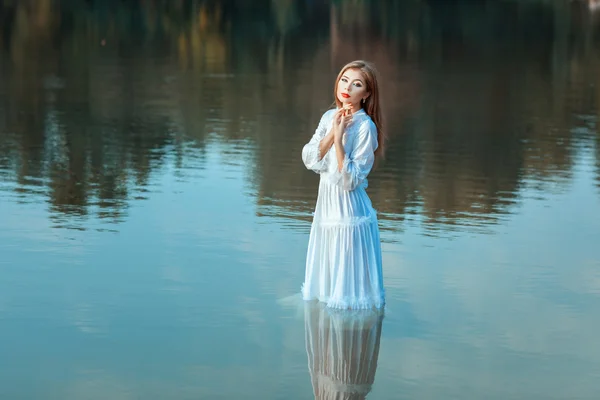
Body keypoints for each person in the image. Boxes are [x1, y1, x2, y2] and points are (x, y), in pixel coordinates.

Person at [301, 60, 385, 310]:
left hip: (348, 213)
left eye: (357, 84)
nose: (347, 87)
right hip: (327, 210)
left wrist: (339, 141)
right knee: (326, 287)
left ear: (367, 94)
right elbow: (309, 159)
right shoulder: (329, 116)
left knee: (347, 296)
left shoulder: (366, 127)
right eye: (344, 80)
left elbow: (350, 181)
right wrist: (331, 133)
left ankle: (349, 339)